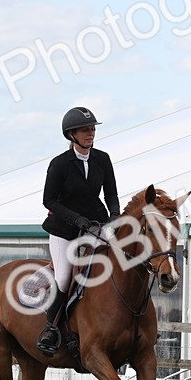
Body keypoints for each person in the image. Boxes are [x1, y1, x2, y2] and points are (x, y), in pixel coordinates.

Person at [36, 105, 120, 356]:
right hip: (64, 230)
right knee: (64, 276)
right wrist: (76, 219)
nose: (91, 133)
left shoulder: (102, 159)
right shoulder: (60, 164)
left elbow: (111, 193)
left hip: (95, 226)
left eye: (92, 129)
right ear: (71, 134)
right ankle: (51, 328)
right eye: (85, 130)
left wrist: (114, 216)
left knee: (119, 261)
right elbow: (49, 201)